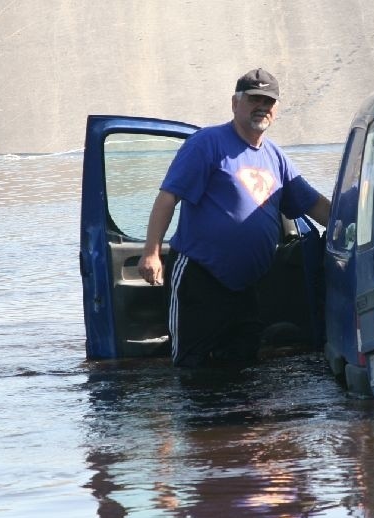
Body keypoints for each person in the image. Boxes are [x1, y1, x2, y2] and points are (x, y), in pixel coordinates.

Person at [137, 67, 331, 368]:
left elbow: (315, 205)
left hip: (247, 287)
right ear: (235, 103)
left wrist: (357, 225)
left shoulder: (276, 158)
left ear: (276, 110)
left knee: (242, 367)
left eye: (269, 102)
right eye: (254, 99)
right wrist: (151, 253)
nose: (262, 108)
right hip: (199, 276)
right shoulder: (207, 143)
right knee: (192, 367)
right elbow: (167, 198)